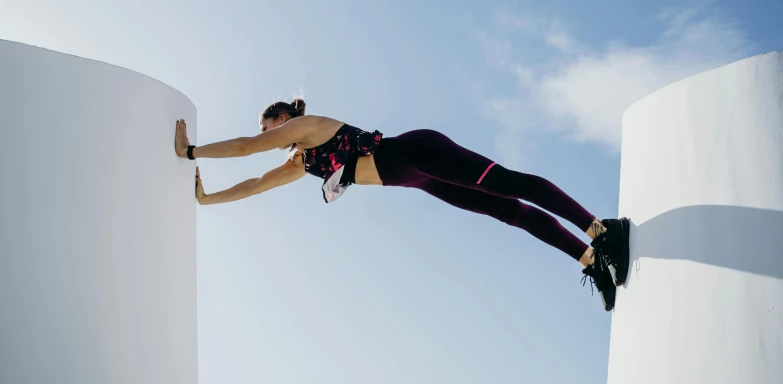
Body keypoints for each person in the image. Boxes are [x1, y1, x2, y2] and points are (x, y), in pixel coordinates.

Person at [174, 97, 630, 311]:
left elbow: (246, 148)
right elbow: (254, 183)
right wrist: (208, 198)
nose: (266, 132)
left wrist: (193, 151)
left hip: (416, 153)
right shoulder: (300, 164)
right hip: (418, 181)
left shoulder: (309, 127)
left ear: (284, 118)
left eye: (267, 123)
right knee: (508, 213)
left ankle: (602, 230)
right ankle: (592, 259)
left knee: (506, 186)